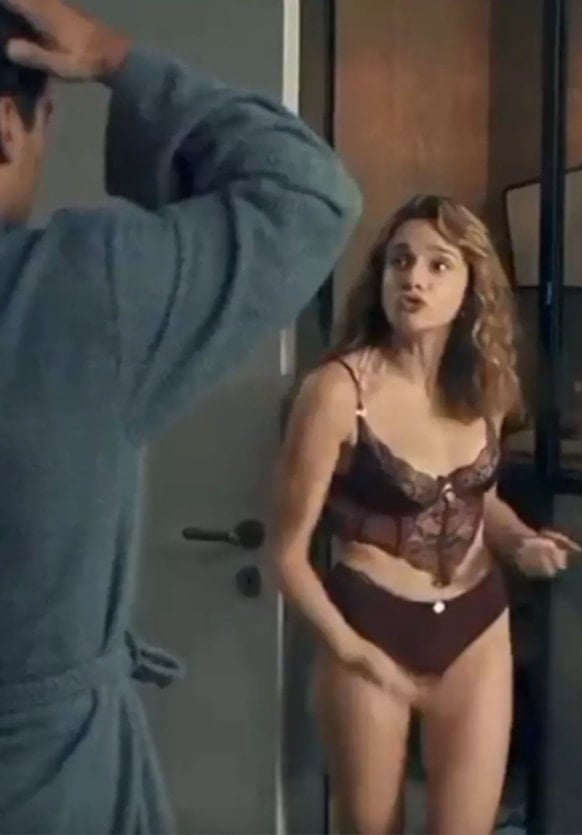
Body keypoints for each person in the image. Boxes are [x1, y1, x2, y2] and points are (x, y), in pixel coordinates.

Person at [0, 0, 361, 831]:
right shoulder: (74, 290)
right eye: (46, 121)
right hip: (46, 785)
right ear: (8, 127)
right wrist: (113, 57)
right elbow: (306, 195)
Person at [273, 194, 581, 835]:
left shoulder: (481, 387)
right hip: (370, 629)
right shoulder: (336, 392)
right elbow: (285, 555)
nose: (414, 278)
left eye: (439, 265)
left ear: (471, 288)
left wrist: (522, 542)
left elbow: (475, 500)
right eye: (400, 261)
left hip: (475, 628)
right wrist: (354, 653)